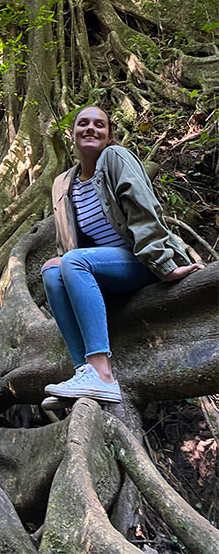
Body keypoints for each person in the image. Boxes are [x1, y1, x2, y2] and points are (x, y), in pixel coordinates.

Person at [41, 105, 203, 406]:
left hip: (141, 260)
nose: (91, 128)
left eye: (99, 124)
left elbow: (144, 211)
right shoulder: (63, 184)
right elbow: (69, 241)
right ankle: (84, 374)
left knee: (73, 262)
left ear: (108, 134)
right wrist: (61, 261)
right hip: (103, 269)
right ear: (72, 133)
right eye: (83, 123)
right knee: (52, 270)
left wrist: (164, 265)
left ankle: (103, 375)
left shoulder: (116, 158)